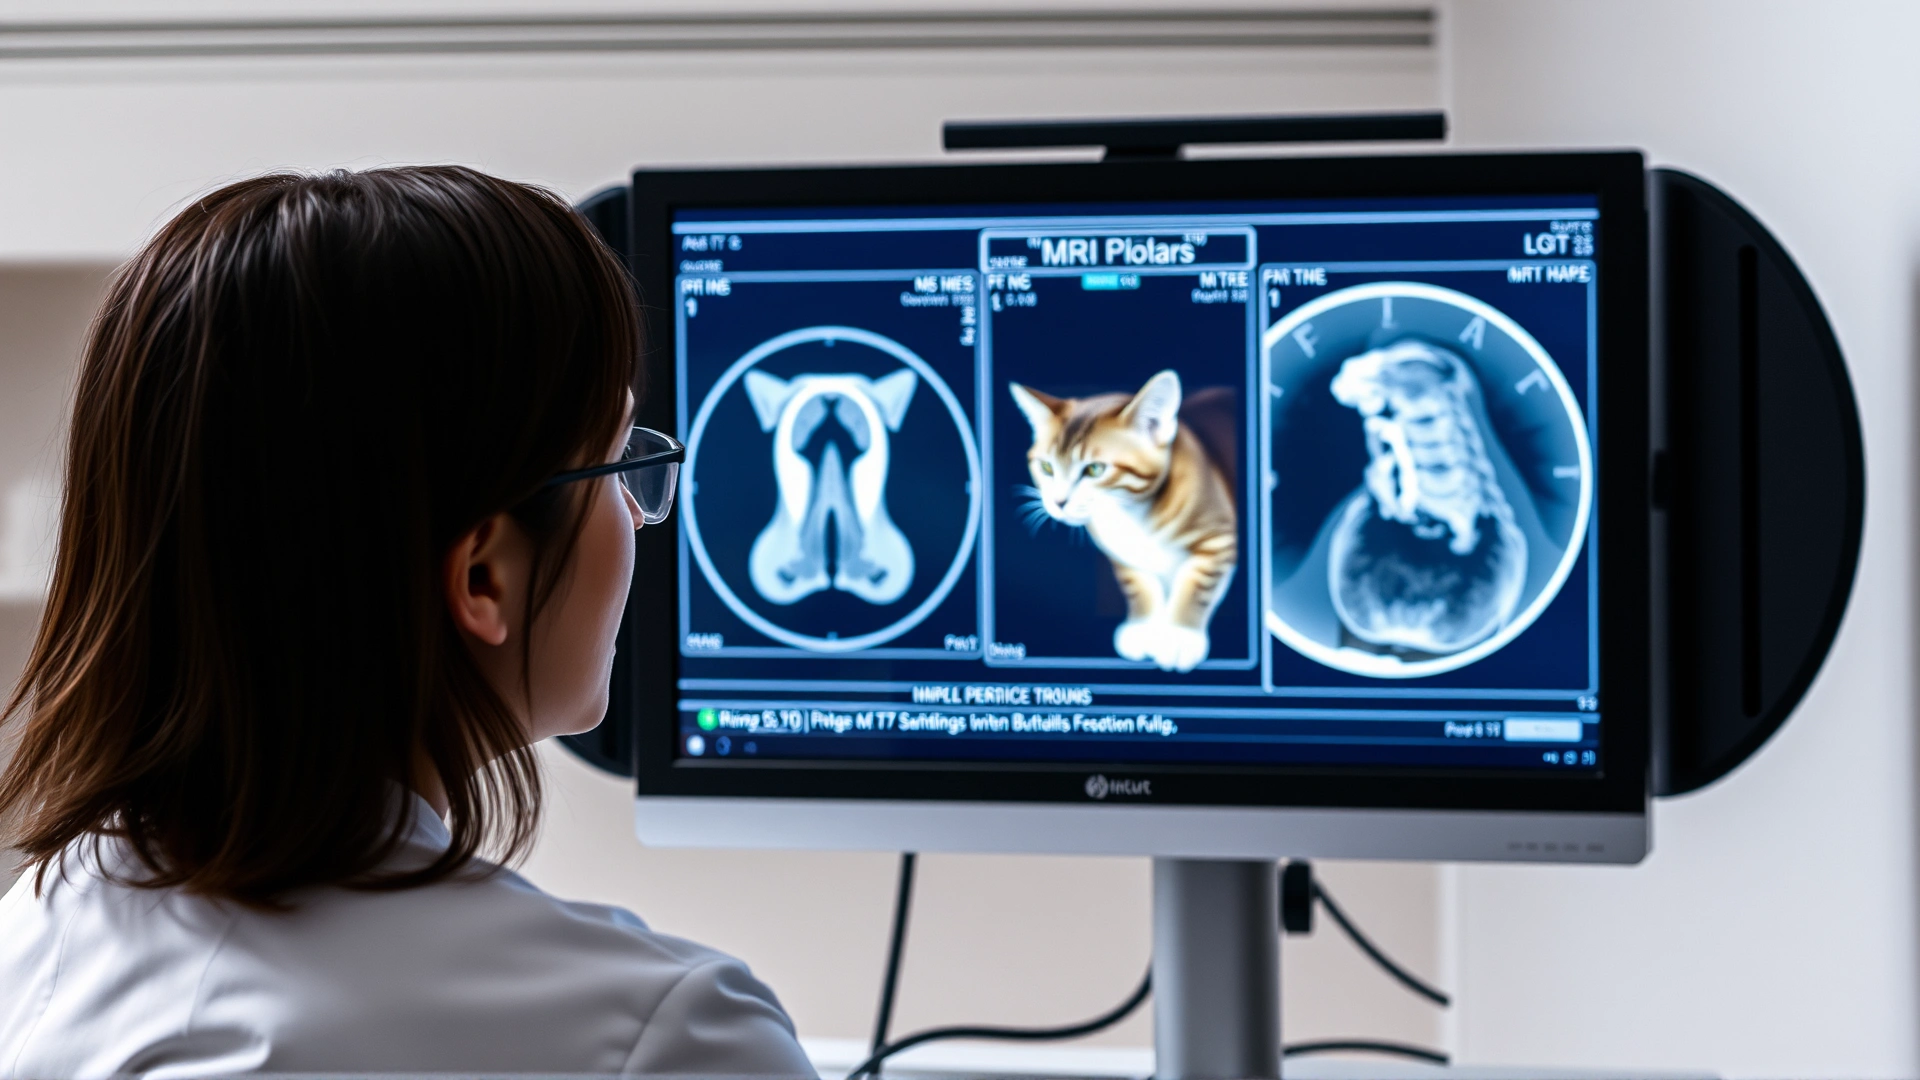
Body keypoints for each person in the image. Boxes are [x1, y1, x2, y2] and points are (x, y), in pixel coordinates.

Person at [0, 167, 816, 1077]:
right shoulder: (666, 1038)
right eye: (614, 461)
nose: (634, 513)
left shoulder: (34, 932)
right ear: (483, 578)